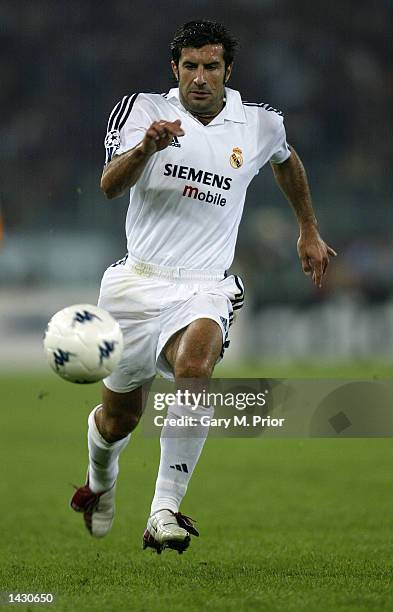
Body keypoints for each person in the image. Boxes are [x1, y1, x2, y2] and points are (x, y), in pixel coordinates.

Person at [70, 20, 336, 554]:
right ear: (175, 69)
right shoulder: (143, 111)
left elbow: (287, 161)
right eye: (189, 66)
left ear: (227, 71)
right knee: (120, 418)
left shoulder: (258, 125)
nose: (199, 77)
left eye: (210, 67)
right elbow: (107, 185)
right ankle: (100, 482)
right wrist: (146, 147)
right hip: (137, 283)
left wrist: (307, 227)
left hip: (205, 285)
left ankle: (163, 509)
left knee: (196, 366)